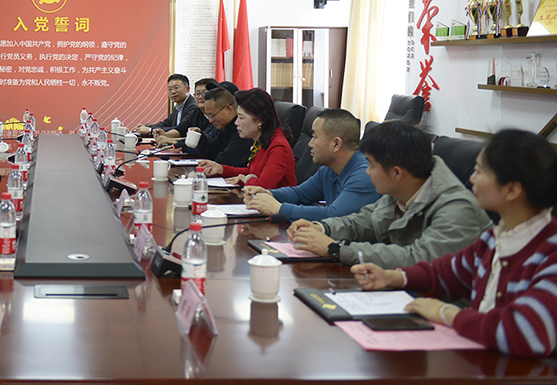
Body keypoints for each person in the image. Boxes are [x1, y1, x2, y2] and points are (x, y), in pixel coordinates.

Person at [352, 129, 557, 357]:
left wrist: (446, 313)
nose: (472, 179)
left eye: (479, 171)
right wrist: (393, 277)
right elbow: (447, 272)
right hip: (484, 361)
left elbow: (523, 332)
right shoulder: (495, 238)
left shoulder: (551, 254)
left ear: (512, 190)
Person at [288, 120, 492, 267]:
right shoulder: (400, 191)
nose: (367, 172)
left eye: (371, 165)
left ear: (396, 173)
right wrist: (321, 227)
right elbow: (363, 221)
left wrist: (336, 248)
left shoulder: (457, 208)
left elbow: (416, 258)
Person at [244, 108, 379, 221]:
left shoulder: (364, 174)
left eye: (315, 137)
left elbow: (334, 215)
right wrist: (268, 194)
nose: (310, 143)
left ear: (336, 144)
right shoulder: (329, 169)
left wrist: (280, 209)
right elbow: (299, 194)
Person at [199, 88, 295, 188]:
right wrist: (221, 169)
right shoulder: (262, 140)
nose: (236, 122)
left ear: (259, 120)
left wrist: (245, 179)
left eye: (241, 117)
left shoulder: (278, 147)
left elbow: (262, 186)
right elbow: (252, 172)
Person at [190, 86, 254, 166]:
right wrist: (199, 137)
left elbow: (224, 160)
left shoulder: (244, 130)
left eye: (212, 116)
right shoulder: (225, 128)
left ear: (228, 109)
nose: (210, 121)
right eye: (208, 116)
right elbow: (211, 152)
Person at [154, 77, 216, 149]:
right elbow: (181, 129)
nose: (200, 97)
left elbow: (203, 140)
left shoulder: (216, 116)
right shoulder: (196, 111)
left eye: (205, 93)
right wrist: (165, 134)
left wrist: (172, 141)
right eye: (198, 93)